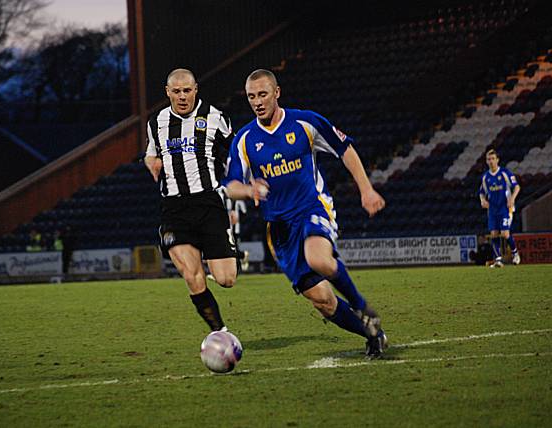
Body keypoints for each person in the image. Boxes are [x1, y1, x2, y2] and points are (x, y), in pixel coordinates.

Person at [223, 69, 388, 358]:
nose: (257, 102)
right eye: (251, 97)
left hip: (312, 208)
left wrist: (366, 190)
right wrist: (248, 191)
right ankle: (372, 333)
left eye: (263, 94)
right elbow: (230, 185)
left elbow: (344, 149)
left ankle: (362, 307)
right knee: (322, 300)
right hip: (280, 230)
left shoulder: (305, 122)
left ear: (277, 93)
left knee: (319, 259)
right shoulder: (245, 139)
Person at [144, 68, 238, 332]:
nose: (182, 96)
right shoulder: (156, 123)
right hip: (174, 208)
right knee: (192, 276)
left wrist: (240, 185)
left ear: (196, 89)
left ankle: (223, 245)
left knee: (226, 279)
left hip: (209, 203)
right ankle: (220, 333)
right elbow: (150, 154)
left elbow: (235, 156)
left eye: (187, 90)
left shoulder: (215, 117)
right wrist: (151, 163)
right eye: (176, 91)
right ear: (168, 92)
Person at [478, 149, 521, 268]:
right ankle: (498, 260)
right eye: (488, 159)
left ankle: (515, 253)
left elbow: (517, 187)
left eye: (493, 159)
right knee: (494, 234)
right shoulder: (485, 177)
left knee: (505, 233)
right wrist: (482, 200)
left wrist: (512, 198)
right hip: (492, 210)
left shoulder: (504, 173)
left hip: (505, 208)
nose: (491, 161)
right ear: (486, 161)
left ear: (497, 160)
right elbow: (481, 192)